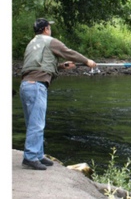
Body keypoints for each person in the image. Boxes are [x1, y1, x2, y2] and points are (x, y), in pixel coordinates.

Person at [19, 18, 97, 170]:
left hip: (26, 85)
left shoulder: (32, 43)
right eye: (49, 27)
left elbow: (39, 65)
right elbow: (68, 52)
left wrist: (61, 66)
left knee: (33, 122)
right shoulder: (50, 41)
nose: (50, 29)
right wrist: (87, 61)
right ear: (46, 29)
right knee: (37, 123)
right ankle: (30, 157)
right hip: (36, 85)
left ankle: (38, 155)